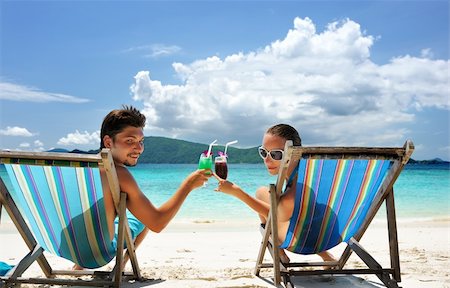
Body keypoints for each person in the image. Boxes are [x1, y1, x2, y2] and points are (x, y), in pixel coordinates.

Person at [74, 105, 211, 269]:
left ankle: (77, 267)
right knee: (142, 217)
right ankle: (121, 265)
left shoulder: (75, 171)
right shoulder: (119, 174)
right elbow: (157, 223)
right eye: (130, 141)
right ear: (108, 142)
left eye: (141, 142)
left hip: (63, 246)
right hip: (97, 254)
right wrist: (188, 185)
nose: (138, 148)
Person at [213, 124, 335, 265]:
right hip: (323, 233)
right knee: (262, 192)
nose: (267, 160)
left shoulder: (299, 183)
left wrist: (237, 192)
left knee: (269, 214)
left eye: (276, 154)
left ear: (294, 153)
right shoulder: (305, 171)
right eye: (264, 152)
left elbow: (276, 217)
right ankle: (326, 256)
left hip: (304, 242)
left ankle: (280, 253)